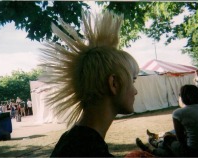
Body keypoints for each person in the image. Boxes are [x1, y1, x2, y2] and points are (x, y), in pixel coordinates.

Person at [41, 10, 140, 157]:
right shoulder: (90, 150)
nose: (135, 91)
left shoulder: (72, 140)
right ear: (114, 84)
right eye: (132, 80)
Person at [136, 84, 198, 157]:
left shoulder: (179, 113)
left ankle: (155, 145)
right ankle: (152, 148)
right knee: (170, 145)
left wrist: (169, 136)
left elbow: (181, 139)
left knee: (167, 139)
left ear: (183, 97)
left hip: (193, 151)